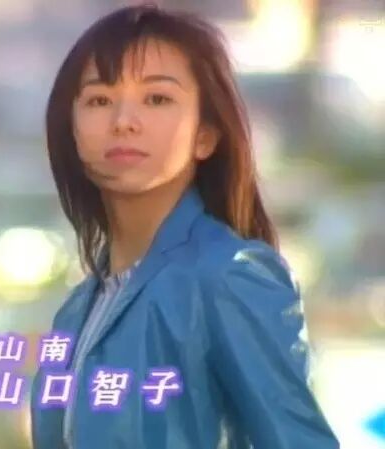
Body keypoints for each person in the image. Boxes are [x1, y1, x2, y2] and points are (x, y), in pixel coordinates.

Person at [30, 4, 340, 449]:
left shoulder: (229, 275)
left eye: (157, 98)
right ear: (72, 132)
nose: (124, 121)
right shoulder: (77, 310)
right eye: (99, 100)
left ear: (205, 136)